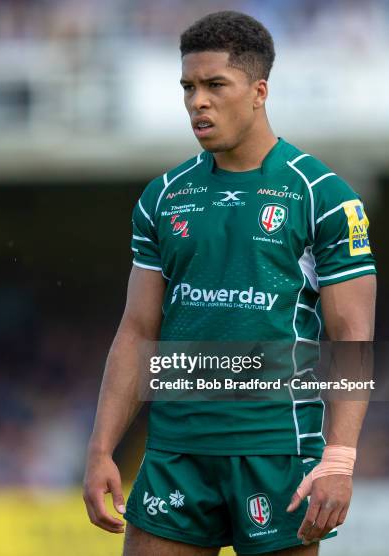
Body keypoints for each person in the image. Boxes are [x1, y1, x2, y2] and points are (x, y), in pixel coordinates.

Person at [83, 11, 376, 556]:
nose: (198, 101)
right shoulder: (163, 196)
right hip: (176, 452)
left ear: (259, 90)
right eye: (188, 87)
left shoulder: (321, 195)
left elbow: (351, 334)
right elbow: (137, 329)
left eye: (216, 85)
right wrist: (101, 448)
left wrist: (339, 458)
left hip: (276, 451)